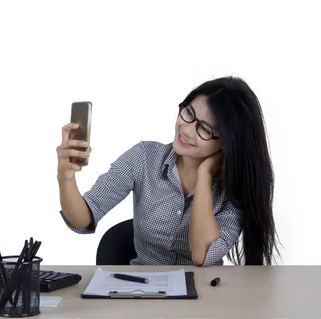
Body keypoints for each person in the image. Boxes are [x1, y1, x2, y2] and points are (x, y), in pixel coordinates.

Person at [56, 76, 279, 266]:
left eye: (204, 129)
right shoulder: (144, 157)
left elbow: (201, 255)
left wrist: (205, 176)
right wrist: (66, 177)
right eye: (189, 114)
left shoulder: (233, 188)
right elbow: (82, 219)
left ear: (227, 143)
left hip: (205, 301)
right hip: (141, 293)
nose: (187, 130)